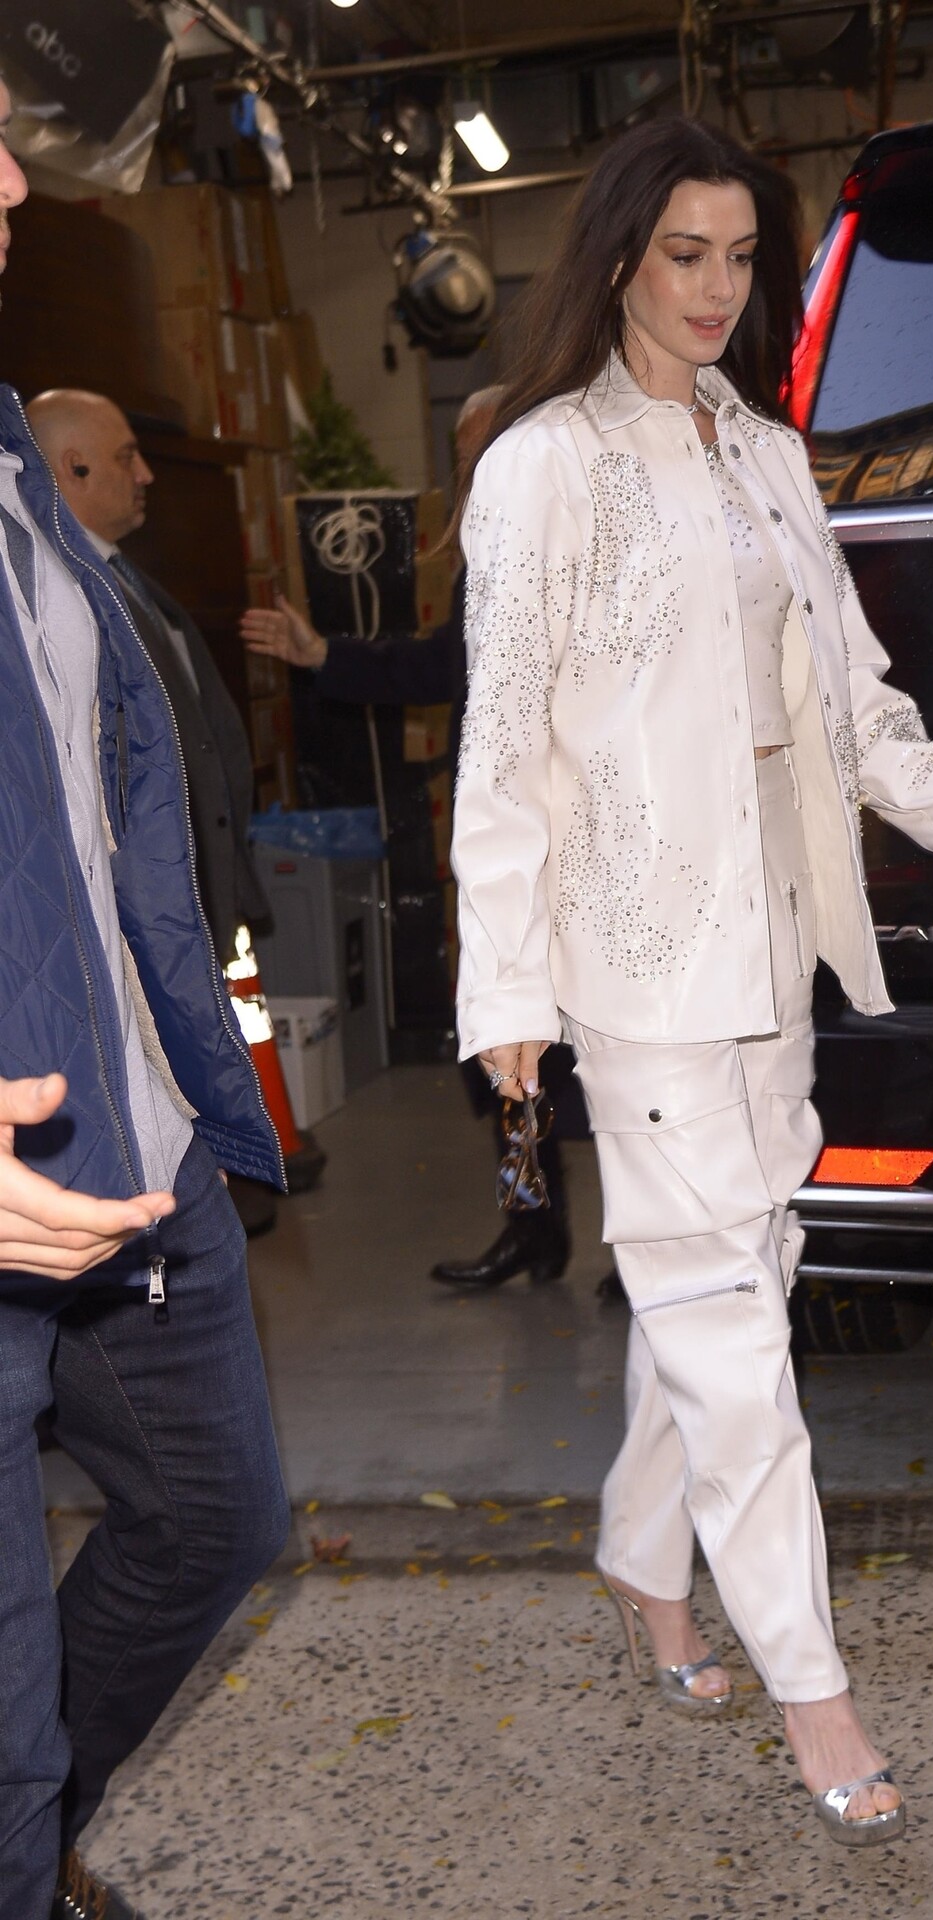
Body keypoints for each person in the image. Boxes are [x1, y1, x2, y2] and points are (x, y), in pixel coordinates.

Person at [449, 116, 933, 1847]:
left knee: (736, 1282)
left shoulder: (768, 456)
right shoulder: (544, 466)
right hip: (634, 963)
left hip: (772, 950)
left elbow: (853, 703)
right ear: (618, 258)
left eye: (738, 259)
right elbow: (501, 748)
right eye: (682, 254)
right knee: (725, 1327)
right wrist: (505, 991)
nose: (714, 288)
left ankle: (644, 1562)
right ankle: (813, 1687)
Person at [0, 88, 290, 1920]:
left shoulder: (13, 467)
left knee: (216, 1519)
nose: (13, 175)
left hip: (129, 1149)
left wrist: (191, 1078)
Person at [239, 387, 596, 1294]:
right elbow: (445, 662)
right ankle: (532, 1223)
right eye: (465, 457)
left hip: (586, 851)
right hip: (508, 852)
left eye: (485, 452)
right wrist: (324, 656)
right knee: (503, 1050)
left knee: (613, 1056)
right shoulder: (491, 551)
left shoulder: (584, 541)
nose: (470, 473)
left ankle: (651, 1245)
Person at [26, 388, 271, 974]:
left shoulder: (118, 574)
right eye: (126, 457)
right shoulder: (61, 596)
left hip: (191, 904)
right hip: (143, 922)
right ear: (73, 467)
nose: (146, 474)